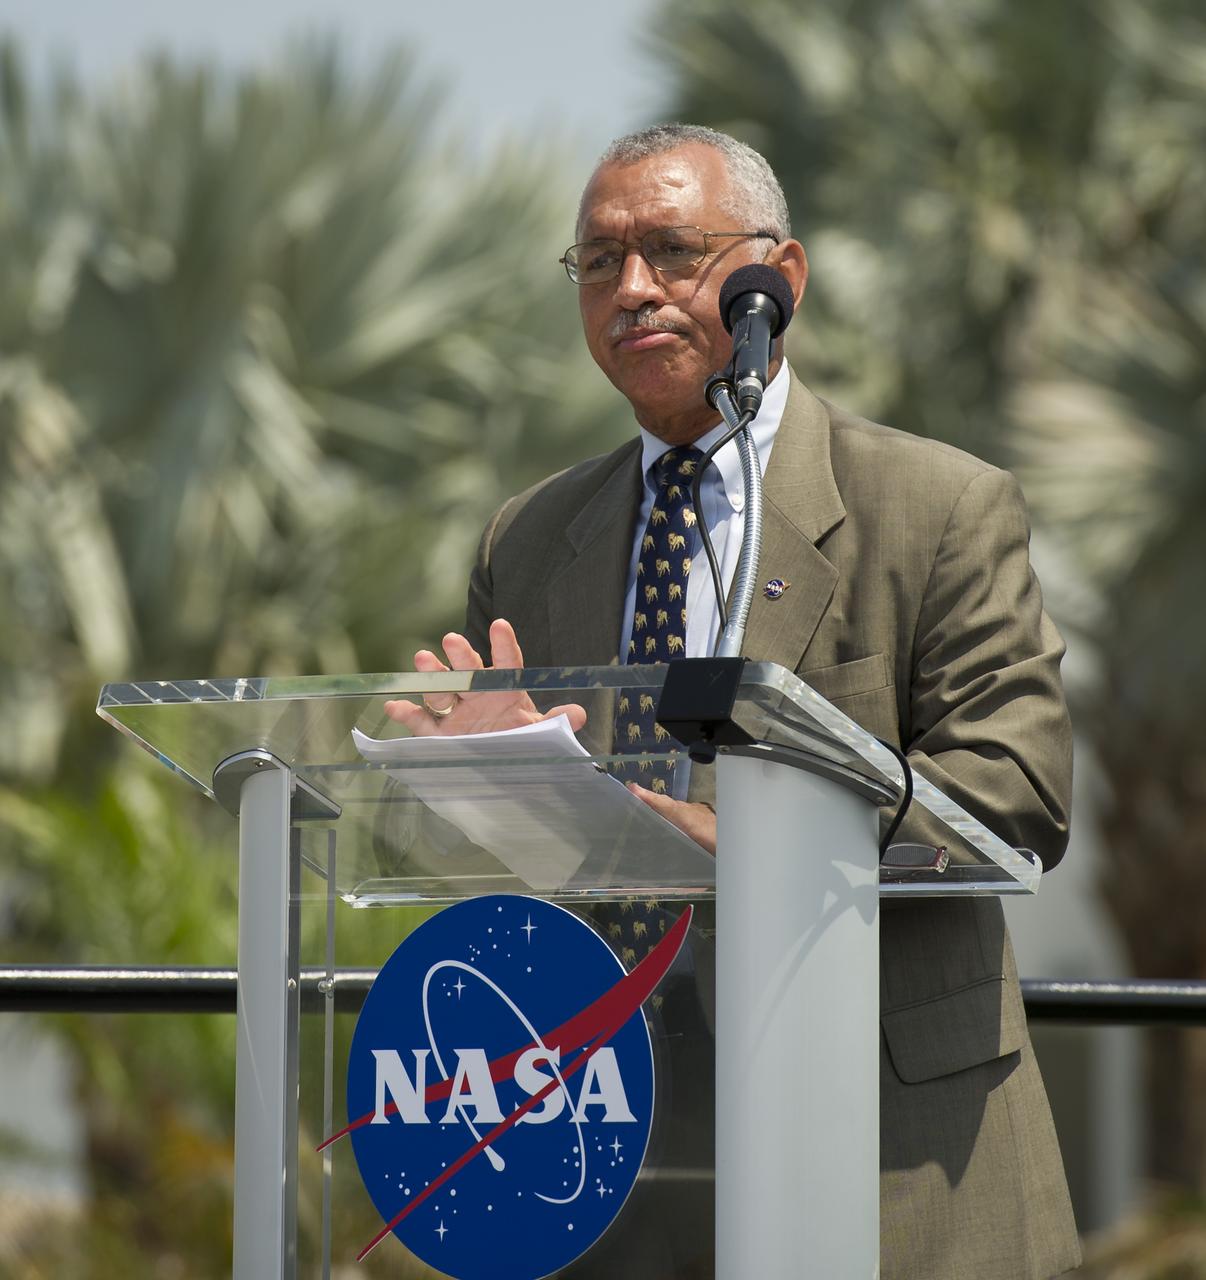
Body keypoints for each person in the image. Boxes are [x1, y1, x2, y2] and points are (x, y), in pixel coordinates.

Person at [386, 123, 1080, 1279]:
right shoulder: (533, 537)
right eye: (598, 262)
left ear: (777, 279)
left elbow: (1012, 801)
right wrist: (479, 781)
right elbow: (548, 860)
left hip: (894, 1156)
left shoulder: (937, 506)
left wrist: (743, 841)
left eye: (672, 249)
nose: (633, 289)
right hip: (627, 1158)